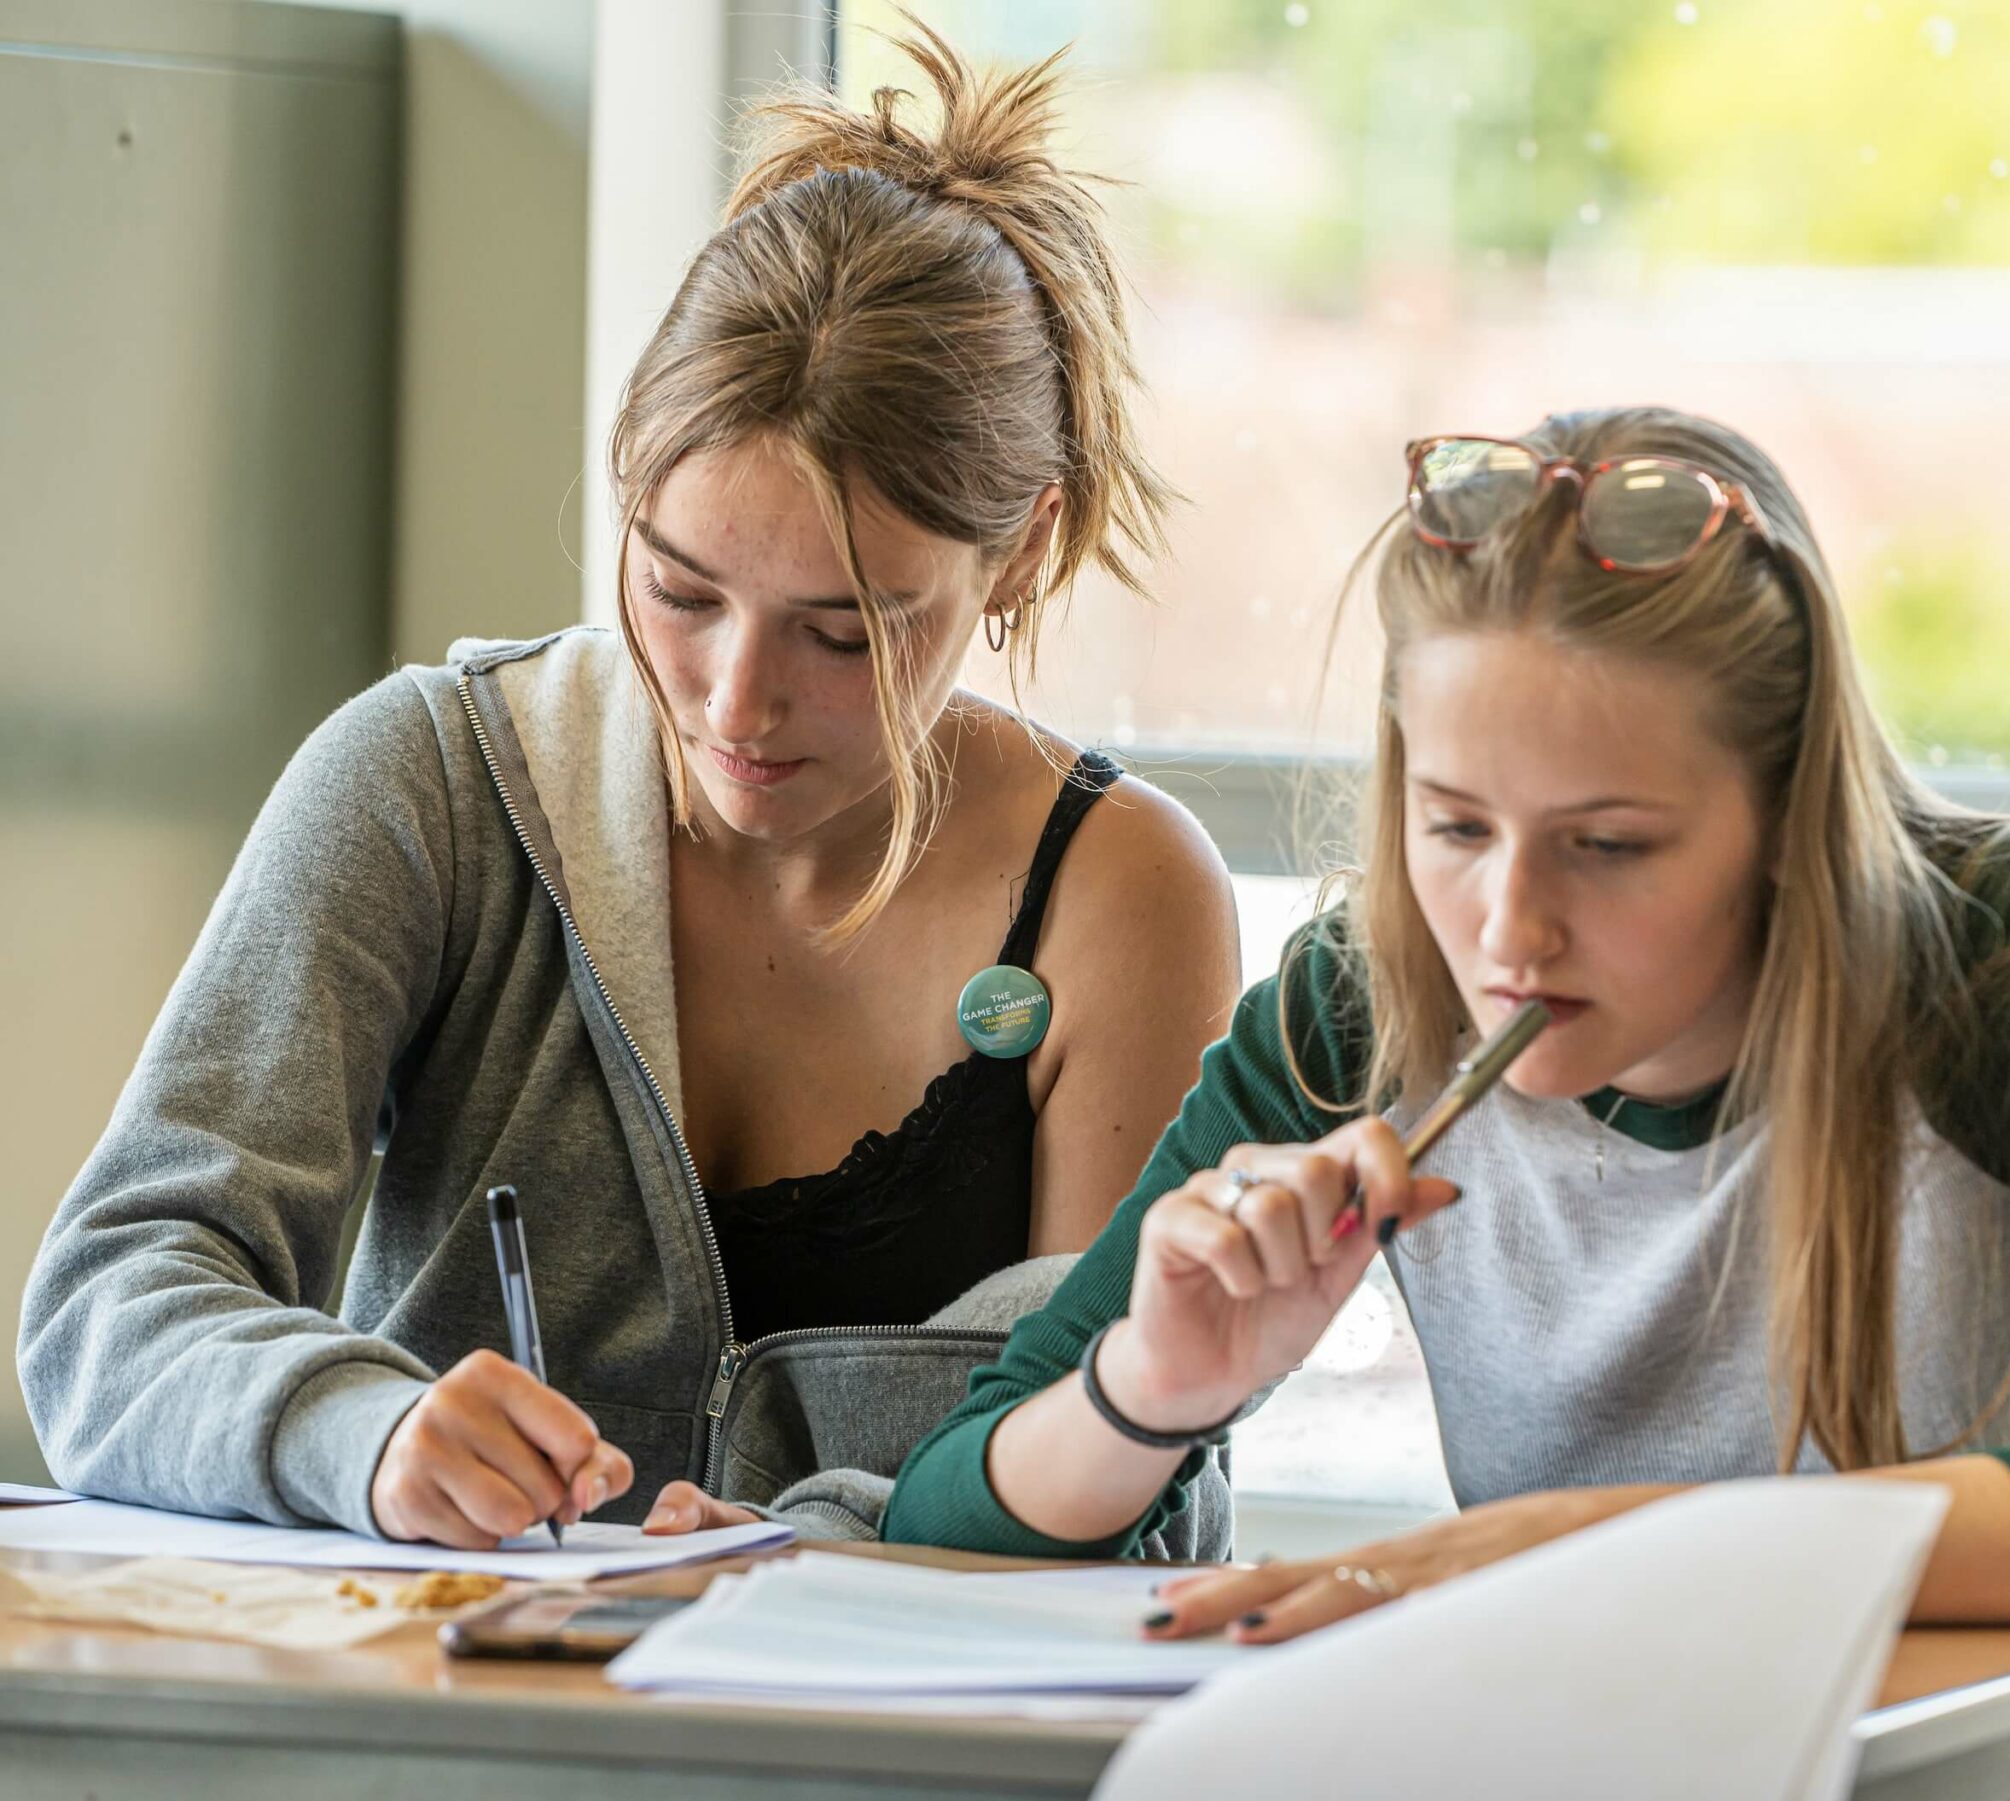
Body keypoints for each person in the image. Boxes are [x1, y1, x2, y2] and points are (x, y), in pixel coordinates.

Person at [860, 408, 2010, 1800]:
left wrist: (1551, 1553)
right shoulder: (1364, 1004)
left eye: (1608, 846)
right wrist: (1153, 1388)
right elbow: (939, 1528)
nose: (1509, 930)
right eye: (1457, 826)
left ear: (1787, 810)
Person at [15, 25, 1238, 1552]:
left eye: (843, 632)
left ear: (1029, 549)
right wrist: (363, 1425)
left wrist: (819, 1546)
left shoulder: (1120, 903)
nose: (733, 701)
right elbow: (107, 1303)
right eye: (679, 586)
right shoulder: (430, 785)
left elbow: (1152, 1482)